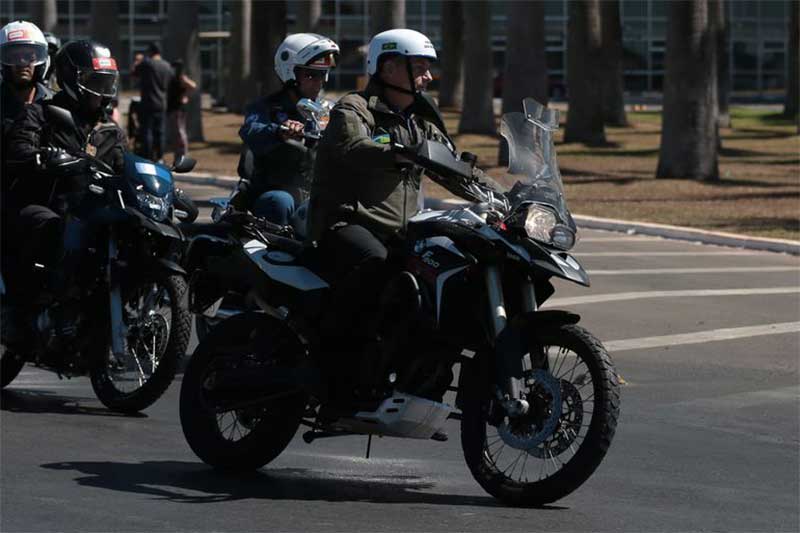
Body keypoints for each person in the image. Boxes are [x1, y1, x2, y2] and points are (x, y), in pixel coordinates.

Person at [309, 28, 493, 345]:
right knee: (376, 264)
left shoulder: (419, 122)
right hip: (344, 222)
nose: (429, 77)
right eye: (420, 68)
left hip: (398, 230)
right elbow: (353, 148)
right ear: (389, 67)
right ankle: (329, 352)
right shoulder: (354, 109)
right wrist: (399, 153)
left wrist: (507, 196)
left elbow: (453, 169)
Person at [4, 40, 126, 324]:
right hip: (46, 203)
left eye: (107, 82)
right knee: (48, 227)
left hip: (92, 213)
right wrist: (43, 158)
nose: (102, 91)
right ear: (73, 80)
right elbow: (18, 150)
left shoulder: (110, 131)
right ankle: (24, 310)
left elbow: (124, 168)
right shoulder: (41, 113)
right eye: (96, 81)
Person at [229, 33, 339, 226]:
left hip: (317, 190)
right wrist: (279, 132)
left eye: (322, 75)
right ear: (290, 73)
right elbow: (250, 130)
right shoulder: (266, 107)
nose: (319, 82)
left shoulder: (328, 111)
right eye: (311, 75)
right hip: (273, 189)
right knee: (280, 202)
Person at [132, 42, 173, 162]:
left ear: (150, 52)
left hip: (148, 102)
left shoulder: (147, 63)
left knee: (147, 131)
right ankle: (160, 156)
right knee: (160, 131)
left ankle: (148, 157)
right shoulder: (167, 65)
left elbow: (134, 72)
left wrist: (138, 60)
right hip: (162, 103)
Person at [166, 59, 196, 161]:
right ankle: (178, 156)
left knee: (180, 132)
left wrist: (185, 96)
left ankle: (183, 155)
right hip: (173, 108)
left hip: (178, 109)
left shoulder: (180, 77)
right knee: (176, 133)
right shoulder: (172, 78)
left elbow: (193, 86)